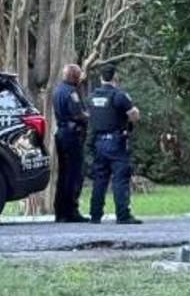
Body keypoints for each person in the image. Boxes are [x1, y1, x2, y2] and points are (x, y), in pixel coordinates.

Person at [87, 62, 142, 224]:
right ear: (115, 77)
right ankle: (123, 214)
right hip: (116, 142)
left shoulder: (92, 96)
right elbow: (134, 115)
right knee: (120, 178)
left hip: (98, 143)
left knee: (99, 179)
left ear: (101, 77)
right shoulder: (119, 96)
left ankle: (95, 214)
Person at [52, 63, 89, 223]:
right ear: (74, 76)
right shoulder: (71, 93)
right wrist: (88, 115)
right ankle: (71, 210)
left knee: (63, 174)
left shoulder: (57, 90)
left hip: (61, 133)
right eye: (79, 74)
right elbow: (77, 114)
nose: (81, 77)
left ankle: (60, 211)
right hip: (72, 135)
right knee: (74, 173)